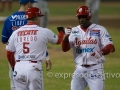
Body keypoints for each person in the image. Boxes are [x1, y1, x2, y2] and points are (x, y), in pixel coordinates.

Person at [6, 7, 64, 90]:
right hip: (33, 68)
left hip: (18, 68)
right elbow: (58, 41)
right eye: (39, 17)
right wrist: (61, 32)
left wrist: (13, 67)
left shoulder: (16, 32)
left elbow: (9, 53)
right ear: (36, 18)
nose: (40, 19)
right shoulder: (44, 31)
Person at [62, 6, 115, 90]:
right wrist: (65, 37)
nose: (81, 20)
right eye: (79, 17)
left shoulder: (100, 29)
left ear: (89, 17)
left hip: (95, 69)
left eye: (83, 17)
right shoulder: (74, 30)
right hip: (79, 69)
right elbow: (65, 49)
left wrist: (101, 52)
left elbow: (111, 46)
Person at [1, 0, 51, 90]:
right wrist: (47, 57)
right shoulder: (32, 19)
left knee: (15, 84)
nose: (32, 5)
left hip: (13, 56)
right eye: (32, 3)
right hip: (31, 58)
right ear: (28, 4)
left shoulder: (9, 19)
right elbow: (39, 41)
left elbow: (4, 40)